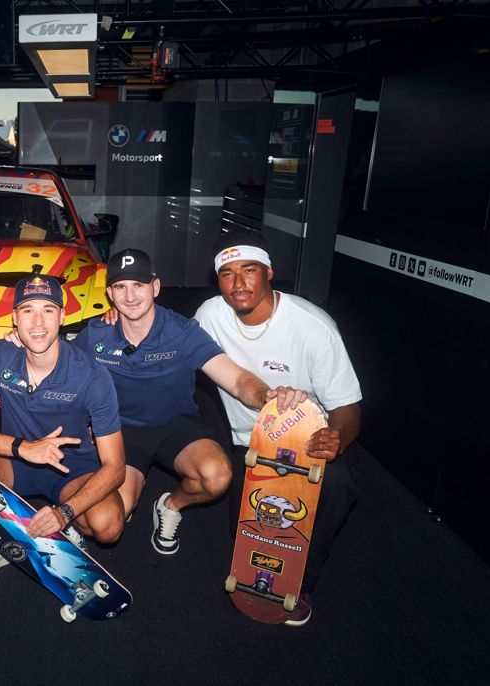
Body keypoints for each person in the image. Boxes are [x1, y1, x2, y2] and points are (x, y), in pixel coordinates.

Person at [77, 249, 305, 556]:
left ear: (155, 287)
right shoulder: (97, 334)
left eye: (138, 285)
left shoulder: (182, 332)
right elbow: (63, 371)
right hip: (122, 432)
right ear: (110, 294)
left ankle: (170, 505)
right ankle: (126, 495)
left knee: (216, 476)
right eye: (121, 287)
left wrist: (268, 395)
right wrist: (17, 344)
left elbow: (236, 379)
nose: (130, 296)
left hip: (176, 426)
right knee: (107, 523)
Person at [194, 228, 362, 627]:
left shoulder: (312, 326)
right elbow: (165, 338)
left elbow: (347, 407)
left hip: (307, 438)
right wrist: (120, 316)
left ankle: (301, 583)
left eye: (249, 270)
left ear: (269, 272)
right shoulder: (210, 316)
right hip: (249, 442)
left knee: (339, 485)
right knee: (251, 525)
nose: (238, 283)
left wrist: (335, 438)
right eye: (228, 274)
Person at [0, 275, 127, 588]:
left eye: (48, 310)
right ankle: (3, 536)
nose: (37, 322)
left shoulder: (92, 375)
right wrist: (24, 448)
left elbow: (115, 467)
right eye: (28, 310)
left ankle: (67, 528)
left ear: (62, 316)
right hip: (16, 461)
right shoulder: (0, 353)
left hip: (72, 472)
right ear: (14, 318)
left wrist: (65, 513)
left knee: (108, 525)